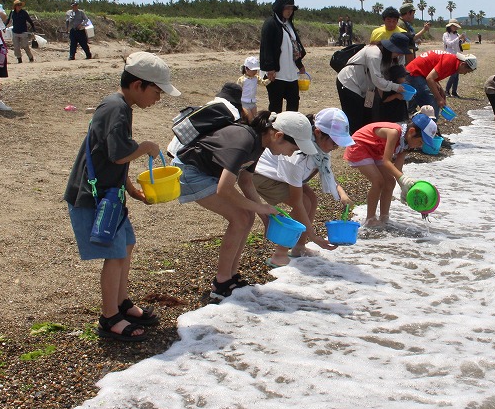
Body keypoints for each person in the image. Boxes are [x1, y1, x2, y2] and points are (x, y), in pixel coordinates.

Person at [63, 51, 180, 342]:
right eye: (157, 91)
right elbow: (118, 155)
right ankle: (109, 317)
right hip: (93, 195)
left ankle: (122, 302)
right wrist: (146, 147)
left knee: (126, 245)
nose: (158, 98)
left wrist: (130, 189)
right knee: (114, 255)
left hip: (111, 193)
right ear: (139, 85)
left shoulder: (120, 106)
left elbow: (108, 154)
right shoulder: (116, 108)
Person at [174, 111, 316, 300]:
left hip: (206, 175)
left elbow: (246, 181)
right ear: (278, 135)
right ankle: (222, 281)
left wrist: (266, 218)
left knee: (245, 217)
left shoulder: (260, 143)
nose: (291, 153)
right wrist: (261, 208)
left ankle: (231, 276)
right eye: (294, 147)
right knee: (240, 217)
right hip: (190, 173)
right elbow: (224, 189)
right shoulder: (245, 140)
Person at [253, 108, 355, 266]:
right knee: (304, 203)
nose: (335, 147)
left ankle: (299, 247)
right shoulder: (298, 156)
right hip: (265, 176)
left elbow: (325, 171)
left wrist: (342, 193)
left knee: (312, 200)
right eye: (334, 142)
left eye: (339, 144)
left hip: (285, 175)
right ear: (318, 132)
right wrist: (314, 236)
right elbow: (297, 202)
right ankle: (279, 253)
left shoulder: (319, 148)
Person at [344, 114, 437, 226]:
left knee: (390, 182)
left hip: (376, 151)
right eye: (421, 142)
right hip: (359, 146)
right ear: (412, 132)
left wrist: (404, 187)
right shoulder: (394, 132)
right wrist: (403, 179)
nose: (420, 146)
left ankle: (384, 217)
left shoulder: (407, 145)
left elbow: (397, 169)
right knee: (378, 181)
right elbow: (386, 161)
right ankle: (370, 219)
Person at [336, 31, 412, 132]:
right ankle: (353, 143)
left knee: (366, 117)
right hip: (349, 83)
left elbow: (397, 70)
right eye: (398, 51)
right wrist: (396, 87)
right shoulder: (374, 54)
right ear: (390, 47)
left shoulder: (392, 57)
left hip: (366, 87)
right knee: (355, 117)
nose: (399, 54)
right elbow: (378, 80)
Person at [259, 0, 307, 113]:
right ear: (280, 8)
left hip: (291, 73)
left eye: (291, 9)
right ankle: (274, 129)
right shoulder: (270, 24)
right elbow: (266, 47)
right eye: (287, 8)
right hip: (276, 74)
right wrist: (270, 68)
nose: (289, 11)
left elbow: (295, 46)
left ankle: (290, 129)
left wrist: (299, 64)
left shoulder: (289, 24)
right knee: (276, 105)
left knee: (294, 102)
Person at [404, 50, 478, 112]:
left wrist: (441, 90)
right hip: (413, 73)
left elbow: (433, 75)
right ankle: (431, 126)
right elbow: (430, 79)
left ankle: (413, 116)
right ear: (463, 64)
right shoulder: (450, 62)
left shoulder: (453, 60)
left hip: (420, 73)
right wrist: (439, 98)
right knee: (433, 103)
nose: (465, 74)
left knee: (418, 100)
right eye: (467, 71)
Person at [442, 20, 467, 96]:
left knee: (457, 75)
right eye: (454, 26)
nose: (455, 27)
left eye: (456, 26)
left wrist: (463, 40)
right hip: (450, 56)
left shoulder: (456, 34)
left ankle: (454, 91)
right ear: (450, 26)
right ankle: (447, 90)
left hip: (457, 55)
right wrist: (458, 38)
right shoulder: (446, 35)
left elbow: (458, 44)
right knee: (453, 74)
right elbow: (449, 44)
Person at [8, 0, 37, 64]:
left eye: (20, 5)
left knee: (25, 46)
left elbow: (30, 21)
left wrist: (33, 29)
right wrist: (4, 26)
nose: (19, 6)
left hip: (23, 32)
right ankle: (19, 59)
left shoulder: (24, 13)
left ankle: (30, 57)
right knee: (16, 47)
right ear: (15, 6)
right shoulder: (12, 12)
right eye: (18, 5)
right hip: (15, 32)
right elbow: (8, 19)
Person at [239, 56, 262, 122]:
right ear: (246, 69)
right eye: (253, 70)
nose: (255, 72)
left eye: (256, 70)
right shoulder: (242, 80)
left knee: (255, 119)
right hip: (244, 102)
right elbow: (238, 90)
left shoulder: (256, 78)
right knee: (250, 119)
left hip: (253, 102)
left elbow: (263, 83)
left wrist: (270, 79)